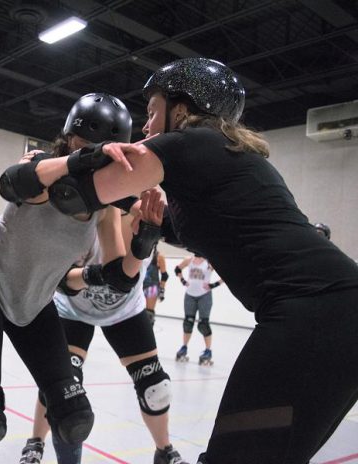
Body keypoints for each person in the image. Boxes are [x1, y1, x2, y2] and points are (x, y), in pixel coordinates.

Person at [27, 57, 358, 463]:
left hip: (314, 312)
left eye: (151, 113)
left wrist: (40, 167)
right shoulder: (228, 159)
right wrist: (150, 229)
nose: (145, 127)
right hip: (338, 309)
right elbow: (192, 229)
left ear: (181, 110)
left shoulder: (187, 143)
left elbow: (77, 193)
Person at [0, 92, 142, 463]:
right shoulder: (41, 164)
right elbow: (13, 183)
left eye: (100, 151)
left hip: (35, 303)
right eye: (86, 146)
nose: (92, 158)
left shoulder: (105, 206)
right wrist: (84, 160)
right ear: (69, 139)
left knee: (73, 414)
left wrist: (144, 241)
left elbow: (119, 277)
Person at [17, 93, 186, 464]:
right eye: (84, 153)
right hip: (71, 306)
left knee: (155, 388)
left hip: (123, 308)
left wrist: (141, 234)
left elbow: (120, 276)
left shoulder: (124, 199)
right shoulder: (58, 198)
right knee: (61, 385)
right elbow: (64, 279)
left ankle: (164, 449)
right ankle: (36, 440)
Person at [173, 255, 223, 366]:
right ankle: (184, 348)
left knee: (203, 324)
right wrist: (182, 280)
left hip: (204, 295)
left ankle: (208, 351)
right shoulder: (189, 260)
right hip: (190, 295)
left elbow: (226, 273)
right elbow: (177, 269)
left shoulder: (209, 261)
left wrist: (214, 285)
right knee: (188, 322)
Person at [143, 244, 169, 324]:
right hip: (138, 285)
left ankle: (147, 335)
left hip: (151, 286)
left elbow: (164, 275)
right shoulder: (140, 253)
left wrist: (161, 291)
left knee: (149, 315)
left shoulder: (159, 256)